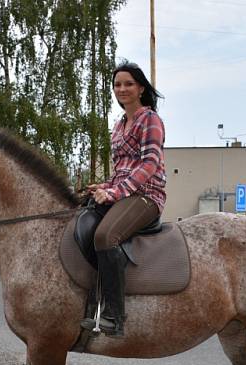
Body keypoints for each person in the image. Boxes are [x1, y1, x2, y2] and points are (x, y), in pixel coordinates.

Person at [80, 61, 166, 337]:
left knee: (106, 236)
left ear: (141, 88)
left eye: (128, 83)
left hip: (147, 196)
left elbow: (149, 164)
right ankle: (90, 304)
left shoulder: (149, 119)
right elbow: (121, 171)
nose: (122, 89)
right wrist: (102, 187)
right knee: (83, 222)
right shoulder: (118, 125)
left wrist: (115, 192)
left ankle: (115, 316)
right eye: (118, 84)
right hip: (123, 193)